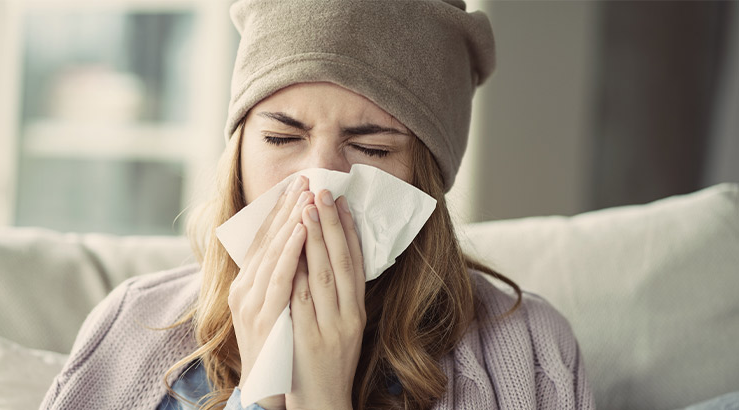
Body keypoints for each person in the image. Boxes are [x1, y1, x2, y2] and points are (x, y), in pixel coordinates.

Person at [40, 0, 595, 409]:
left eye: (372, 147)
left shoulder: (534, 352)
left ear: (429, 180)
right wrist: (262, 393)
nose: (320, 182)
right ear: (237, 153)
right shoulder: (131, 327)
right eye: (282, 139)